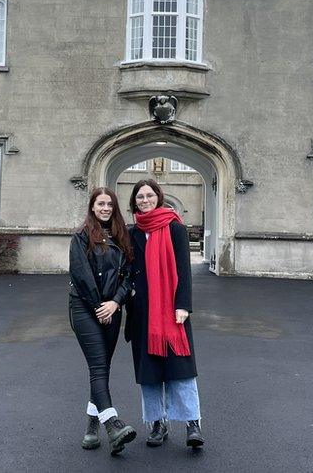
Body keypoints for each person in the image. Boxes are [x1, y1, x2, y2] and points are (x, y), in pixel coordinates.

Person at [126, 179, 205, 448]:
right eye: (139, 197)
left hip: (172, 311)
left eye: (149, 195)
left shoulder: (174, 227)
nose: (144, 200)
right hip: (143, 312)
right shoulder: (132, 232)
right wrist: (130, 293)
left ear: (158, 197)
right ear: (134, 201)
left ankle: (192, 423)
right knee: (149, 372)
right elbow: (125, 268)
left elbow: (184, 269)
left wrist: (183, 304)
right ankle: (158, 424)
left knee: (180, 368)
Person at [68, 187, 137, 454]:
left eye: (109, 204)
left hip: (111, 308)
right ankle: (113, 425)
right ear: (92, 207)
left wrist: (115, 302)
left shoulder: (122, 237)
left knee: (102, 369)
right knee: (97, 366)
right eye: (100, 203)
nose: (105, 208)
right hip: (85, 308)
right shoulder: (81, 237)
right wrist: (100, 306)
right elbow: (81, 275)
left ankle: (90, 430)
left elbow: (129, 274)